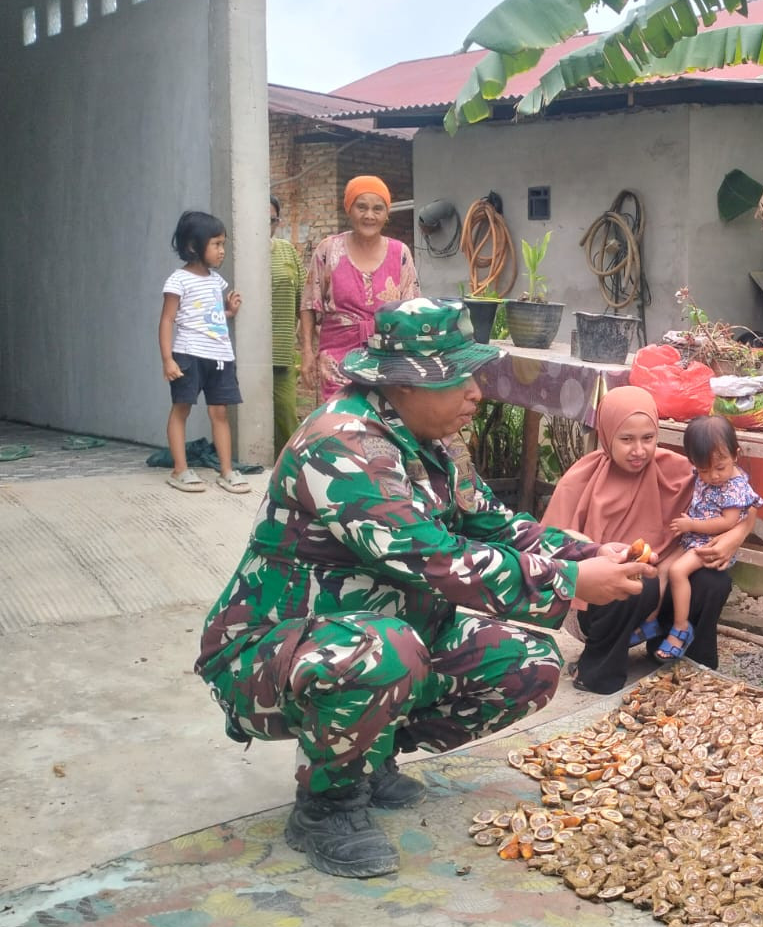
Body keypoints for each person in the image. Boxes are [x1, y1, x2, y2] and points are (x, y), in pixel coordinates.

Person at [195, 298, 653, 878]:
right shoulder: (342, 446)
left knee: (529, 663)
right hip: (268, 651)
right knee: (386, 653)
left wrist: (587, 553)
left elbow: (491, 523)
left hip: (384, 629)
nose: (476, 394)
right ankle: (326, 802)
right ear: (403, 385)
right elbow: (433, 559)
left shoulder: (429, 441)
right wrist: (568, 582)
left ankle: (369, 754)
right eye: (459, 379)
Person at [543, 387, 758, 694]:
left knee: (713, 581)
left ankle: (687, 661)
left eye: (648, 438)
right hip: (595, 603)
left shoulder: (678, 469)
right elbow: (552, 544)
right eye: (626, 439)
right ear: (607, 435)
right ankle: (598, 669)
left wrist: (734, 538)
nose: (639, 450)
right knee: (634, 581)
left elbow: (745, 505)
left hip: (665, 585)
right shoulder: (581, 480)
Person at [646, 415, 763, 661]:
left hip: (708, 542)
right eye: (703, 470)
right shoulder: (705, 470)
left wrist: (692, 524)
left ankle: (680, 629)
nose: (713, 476)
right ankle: (649, 623)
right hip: (693, 538)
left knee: (678, 572)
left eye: (720, 468)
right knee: (663, 568)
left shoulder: (734, 486)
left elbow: (728, 522)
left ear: (736, 454)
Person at [301, 175, 419, 402]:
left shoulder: (400, 253)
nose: (369, 215)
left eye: (378, 209)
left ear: (386, 214)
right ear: (349, 209)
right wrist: (307, 352)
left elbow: (412, 309)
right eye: (361, 207)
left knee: (382, 425)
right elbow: (309, 303)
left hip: (387, 358)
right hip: (336, 361)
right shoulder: (328, 250)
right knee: (338, 424)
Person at [158, 210, 249, 494]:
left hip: (220, 356)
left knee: (219, 411)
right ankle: (180, 470)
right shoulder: (178, 280)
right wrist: (168, 359)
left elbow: (209, 316)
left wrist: (228, 312)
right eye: (216, 244)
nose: (222, 251)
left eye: (223, 244)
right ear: (193, 247)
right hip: (188, 354)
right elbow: (167, 320)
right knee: (181, 408)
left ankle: (226, 471)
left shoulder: (215, 281)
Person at [269, 195, 306, 452]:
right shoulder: (235, 252)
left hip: (281, 351)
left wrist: (307, 349)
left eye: (271, 220)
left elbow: (305, 301)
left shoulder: (287, 250)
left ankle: (290, 468)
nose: (265, 226)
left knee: (286, 415)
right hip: (243, 354)